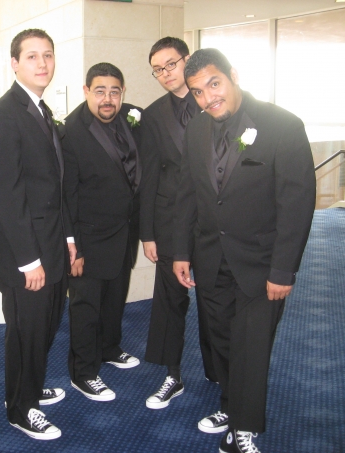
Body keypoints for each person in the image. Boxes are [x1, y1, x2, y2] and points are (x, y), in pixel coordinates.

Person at [172, 48, 315, 453]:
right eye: (198, 92)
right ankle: (230, 404)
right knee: (221, 340)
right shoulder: (196, 130)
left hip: (262, 263)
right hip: (210, 257)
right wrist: (181, 251)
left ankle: (242, 429)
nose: (208, 97)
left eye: (214, 84)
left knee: (251, 346)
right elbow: (188, 194)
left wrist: (283, 270)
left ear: (233, 75)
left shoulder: (283, 125)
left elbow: (296, 203)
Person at [0, 29, 76, 441]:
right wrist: (28, 261)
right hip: (27, 255)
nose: (42, 63)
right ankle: (21, 408)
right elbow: (7, 195)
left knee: (44, 328)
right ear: (14, 63)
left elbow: (55, 185)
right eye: (32, 56)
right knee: (25, 334)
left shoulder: (40, 109)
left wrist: (68, 238)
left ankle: (29, 388)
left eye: (48, 55)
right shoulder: (4, 116)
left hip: (51, 244)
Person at [140, 37, 217, 411]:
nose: (166, 73)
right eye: (158, 69)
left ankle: (218, 370)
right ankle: (172, 374)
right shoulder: (153, 115)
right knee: (170, 301)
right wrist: (148, 233)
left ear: (187, 60)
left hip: (215, 223)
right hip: (171, 222)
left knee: (213, 300)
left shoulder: (215, 104)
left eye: (171, 64)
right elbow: (148, 177)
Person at [61, 62, 142, 402]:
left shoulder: (133, 118)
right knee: (86, 308)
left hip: (124, 232)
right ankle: (83, 372)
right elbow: (66, 194)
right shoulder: (70, 132)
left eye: (114, 92)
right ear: (86, 91)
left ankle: (109, 348)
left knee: (114, 298)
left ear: (122, 93)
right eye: (100, 91)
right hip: (89, 238)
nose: (108, 99)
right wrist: (73, 247)